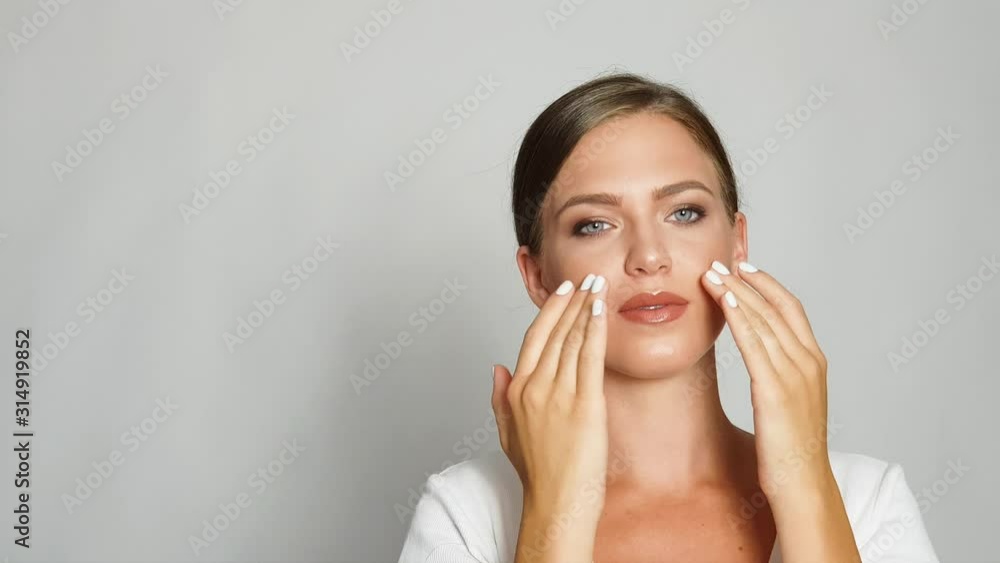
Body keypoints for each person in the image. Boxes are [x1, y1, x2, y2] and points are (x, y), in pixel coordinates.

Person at [398, 71, 939, 562]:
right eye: (594, 224)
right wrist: (554, 510)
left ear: (736, 243)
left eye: (684, 213)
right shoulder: (466, 514)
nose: (649, 256)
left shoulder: (867, 502)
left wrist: (804, 484)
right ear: (537, 275)